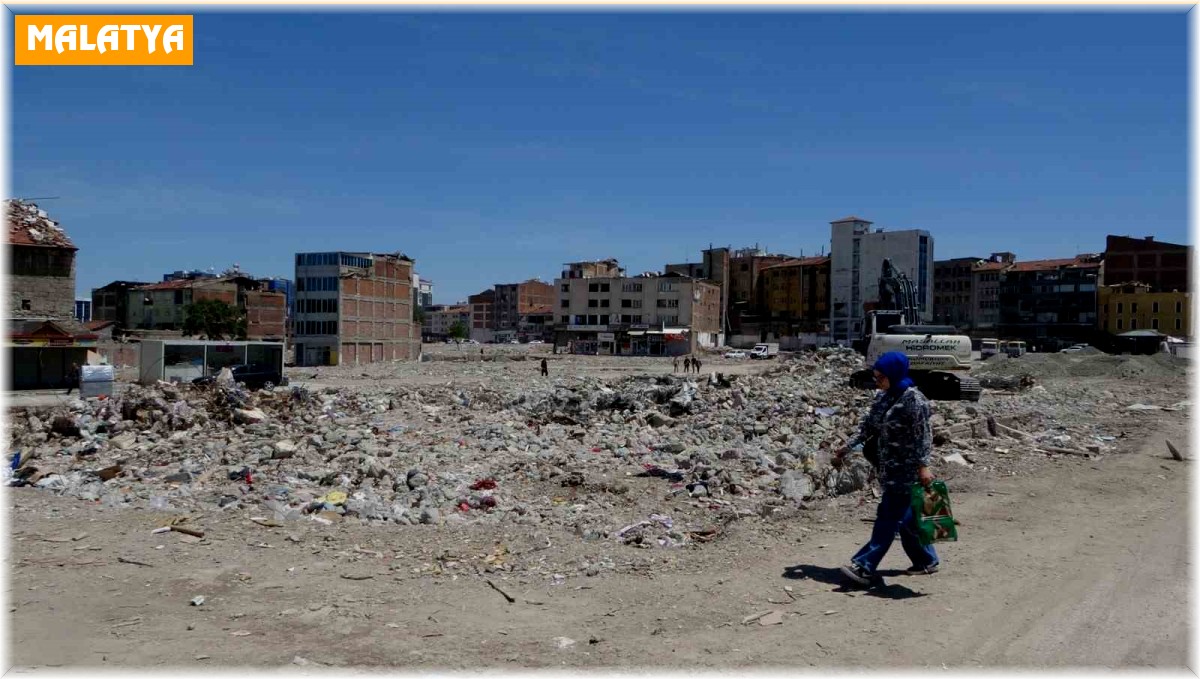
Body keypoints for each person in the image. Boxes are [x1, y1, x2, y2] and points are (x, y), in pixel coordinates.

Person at [834, 351, 938, 586]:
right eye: (875, 377)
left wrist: (923, 465)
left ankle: (865, 566)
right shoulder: (884, 397)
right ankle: (925, 559)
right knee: (907, 518)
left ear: (894, 374)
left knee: (888, 516)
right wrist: (846, 448)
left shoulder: (915, 400)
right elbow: (868, 428)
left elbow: (923, 436)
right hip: (887, 467)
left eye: (881, 377)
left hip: (907, 469)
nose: (877, 381)